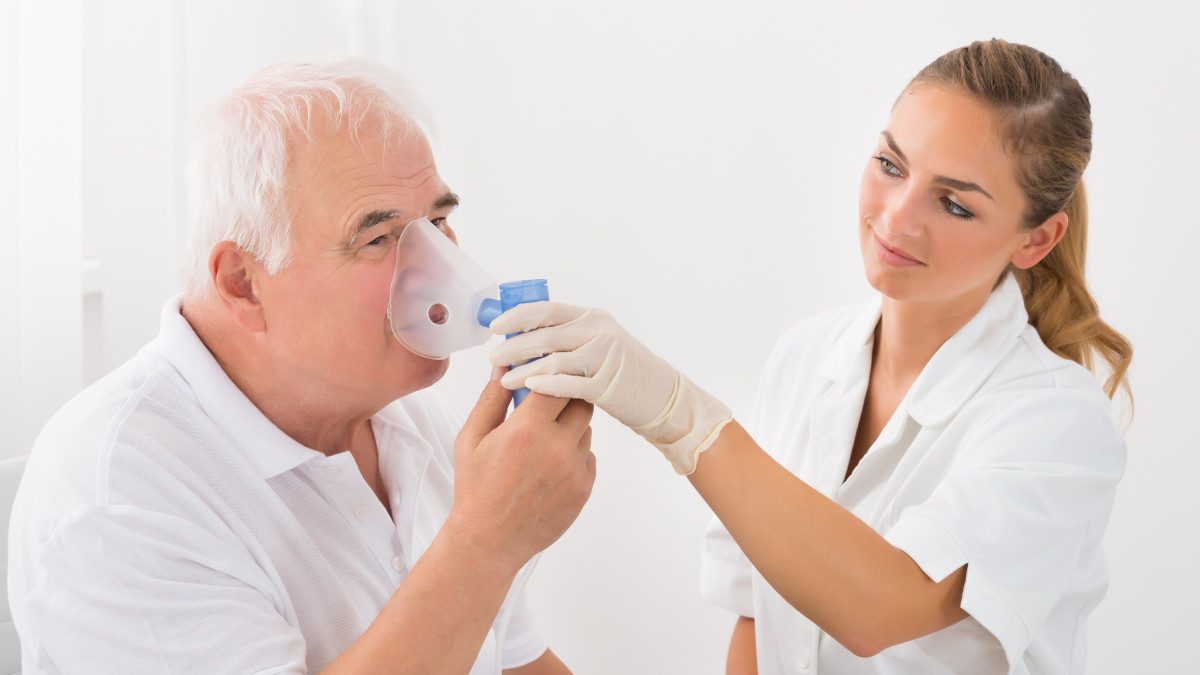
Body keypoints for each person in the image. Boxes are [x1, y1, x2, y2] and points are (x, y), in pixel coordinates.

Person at [488, 39, 1132, 674]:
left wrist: (676, 412)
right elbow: (756, 610)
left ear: (1037, 238)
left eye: (955, 203)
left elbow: (882, 606)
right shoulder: (806, 355)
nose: (896, 218)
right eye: (890, 165)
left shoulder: (1057, 420)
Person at [8, 55, 595, 674]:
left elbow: (515, 662)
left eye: (439, 220)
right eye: (378, 238)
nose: (445, 271)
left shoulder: (412, 419)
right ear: (243, 283)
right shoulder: (120, 502)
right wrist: (484, 543)